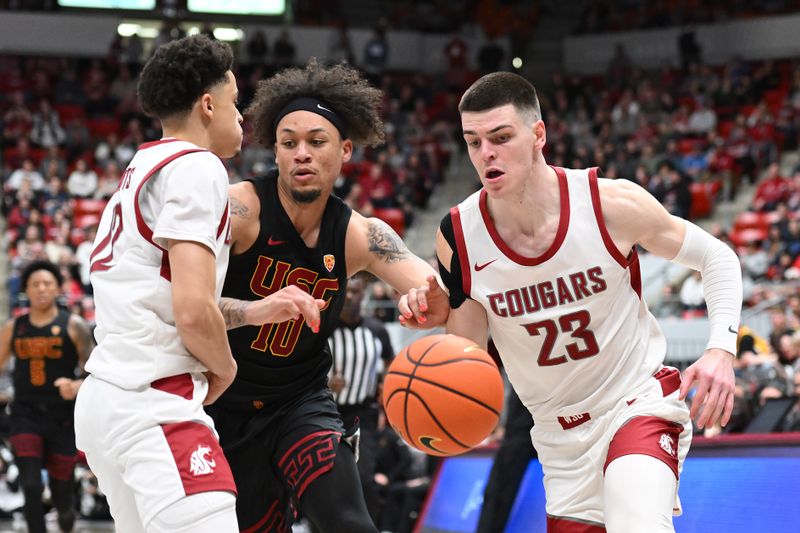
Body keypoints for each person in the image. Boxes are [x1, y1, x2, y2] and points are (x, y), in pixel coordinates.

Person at [399, 72, 741, 532]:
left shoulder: (608, 204)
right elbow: (469, 357)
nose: (486, 154)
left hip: (634, 403)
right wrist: (441, 320)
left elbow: (716, 256)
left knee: (638, 523)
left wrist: (721, 348)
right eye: (473, 142)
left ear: (539, 134)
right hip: (558, 439)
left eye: (500, 138)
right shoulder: (459, 236)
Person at [208, 58, 448, 533]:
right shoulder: (238, 211)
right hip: (221, 406)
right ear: (273, 152)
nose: (302, 154)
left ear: (344, 151)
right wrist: (255, 310)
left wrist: (422, 302)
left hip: (300, 402)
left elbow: (437, 293)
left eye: (316, 143)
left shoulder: (359, 234)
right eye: (288, 143)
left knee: (350, 523)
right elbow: (182, 305)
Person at [73, 34, 243, 533]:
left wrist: (253, 311)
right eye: (236, 102)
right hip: (154, 402)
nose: (242, 116)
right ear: (208, 105)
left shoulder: (141, 166)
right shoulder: (198, 166)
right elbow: (191, 310)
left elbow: (161, 293)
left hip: (109, 395)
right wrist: (225, 367)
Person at [0, 260, 94, 533]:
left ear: (57, 289)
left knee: (62, 491)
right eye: (35, 284)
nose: (41, 289)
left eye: (47, 284)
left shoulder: (74, 325)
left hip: (62, 417)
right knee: (30, 485)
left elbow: (95, 372)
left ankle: (66, 524)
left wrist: (77, 385)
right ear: (26, 290)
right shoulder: (14, 327)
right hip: (25, 414)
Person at [328, 275, 395, 522]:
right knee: (326, 476)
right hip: (328, 411)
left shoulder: (377, 331)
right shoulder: (326, 328)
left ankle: (368, 525)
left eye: (355, 291)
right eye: (345, 291)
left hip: (363, 413)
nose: (349, 296)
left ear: (363, 294)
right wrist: (326, 384)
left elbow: (391, 364)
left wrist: (386, 389)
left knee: (363, 475)